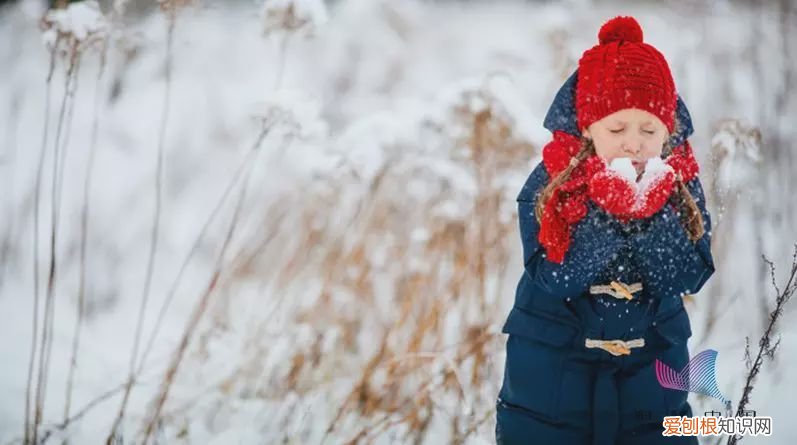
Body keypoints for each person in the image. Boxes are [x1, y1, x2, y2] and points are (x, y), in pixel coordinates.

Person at [495, 15, 716, 445]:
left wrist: (649, 212)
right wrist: (609, 215)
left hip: (652, 377)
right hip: (551, 382)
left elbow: (689, 273)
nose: (633, 143)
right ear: (588, 127)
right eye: (617, 129)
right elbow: (553, 276)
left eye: (649, 130)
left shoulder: (678, 182)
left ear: (666, 131)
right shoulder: (552, 183)